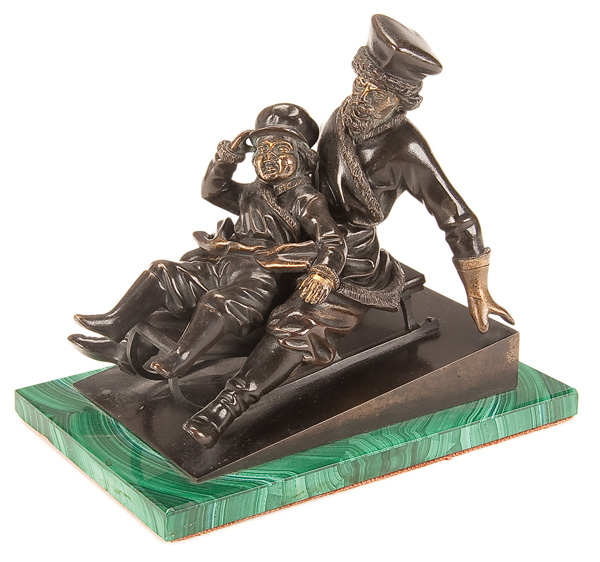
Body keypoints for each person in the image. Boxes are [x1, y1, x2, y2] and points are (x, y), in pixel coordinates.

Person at [182, 15, 514, 448]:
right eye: (361, 84)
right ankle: (170, 344)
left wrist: (476, 286)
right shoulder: (343, 115)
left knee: (300, 319)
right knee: (213, 267)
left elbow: (456, 215)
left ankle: (231, 402)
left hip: (352, 256)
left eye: (378, 95)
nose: (363, 98)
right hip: (300, 227)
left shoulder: (406, 148)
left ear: (402, 102)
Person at [69, 104, 347, 379]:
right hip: (222, 264)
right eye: (262, 151)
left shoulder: (306, 200)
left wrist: (323, 273)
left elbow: (333, 241)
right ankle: (115, 325)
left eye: (280, 151)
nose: (269, 158)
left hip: (261, 277)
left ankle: (180, 358)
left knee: (219, 302)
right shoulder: (252, 192)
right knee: (163, 272)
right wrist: (226, 160)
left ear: (302, 158)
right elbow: (214, 191)